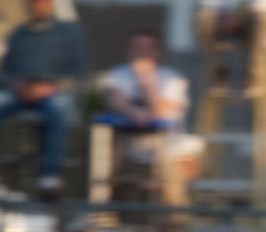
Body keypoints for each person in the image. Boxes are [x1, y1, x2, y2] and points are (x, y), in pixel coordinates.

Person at [0, 0, 89, 191]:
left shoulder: (69, 32)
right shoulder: (19, 34)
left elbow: (80, 72)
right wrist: (18, 84)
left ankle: (51, 177)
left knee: (58, 109)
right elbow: (6, 71)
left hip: (54, 93)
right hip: (19, 92)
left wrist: (52, 87)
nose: (38, 5)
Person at [100, 29, 189, 131]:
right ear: (128, 50)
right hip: (124, 138)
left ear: (158, 52)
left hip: (165, 140)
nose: (142, 52)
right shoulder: (117, 74)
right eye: (137, 47)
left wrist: (146, 80)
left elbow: (165, 110)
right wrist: (134, 113)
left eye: (148, 48)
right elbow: (114, 101)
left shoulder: (173, 78)